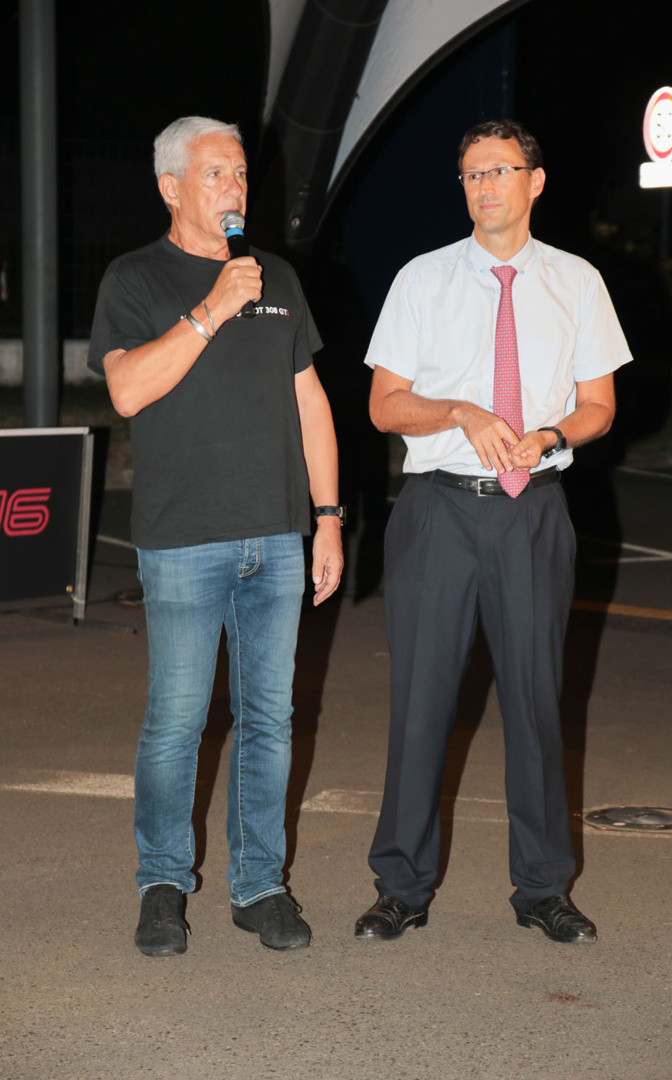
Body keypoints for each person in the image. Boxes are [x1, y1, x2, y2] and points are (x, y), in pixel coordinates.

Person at [355, 119, 632, 944]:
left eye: (500, 171)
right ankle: (399, 886)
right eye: (472, 174)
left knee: (536, 702)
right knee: (421, 704)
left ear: (535, 183)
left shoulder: (577, 283)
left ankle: (544, 888)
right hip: (438, 509)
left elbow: (600, 406)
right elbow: (382, 404)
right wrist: (459, 411)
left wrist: (547, 436)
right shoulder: (423, 279)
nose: (484, 188)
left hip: (532, 510)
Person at [88, 116, 344, 956]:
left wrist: (329, 518)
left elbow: (311, 401)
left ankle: (259, 886)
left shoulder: (278, 279)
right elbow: (126, 390)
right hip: (184, 539)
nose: (235, 188)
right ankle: (162, 884)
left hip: (276, 535)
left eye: (239, 174)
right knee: (178, 719)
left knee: (270, 718)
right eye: (216, 174)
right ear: (171, 187)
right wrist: (210, 309)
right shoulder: (135, 278)